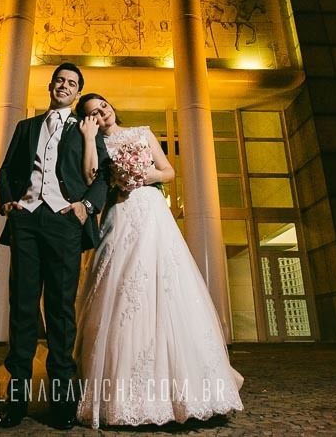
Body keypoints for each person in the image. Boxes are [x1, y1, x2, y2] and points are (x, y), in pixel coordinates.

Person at [73, 93, 245, 429]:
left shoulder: (142, 132)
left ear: (111, 105)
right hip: (119, 214)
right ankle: (122, 394)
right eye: (94, 113)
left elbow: (168, 171)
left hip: (152, 211)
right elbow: (91, 177)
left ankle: (188, 392)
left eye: (103, 106)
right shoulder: (94, 143)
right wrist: (90, 140)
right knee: (122, 287)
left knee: (167, 283)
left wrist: (144, 175)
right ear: (89, 120)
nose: (103, 113)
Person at [0, 63, 110, 430]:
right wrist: (8, 201)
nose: (64, 86)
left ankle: (62, 403)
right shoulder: (26, 127)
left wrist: (86, 206)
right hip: (26, 221)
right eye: (60, 80)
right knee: (22, 308)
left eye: (72, 83)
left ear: (77, 94)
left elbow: (103, 175)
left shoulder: (86, 129)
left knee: (60, 311)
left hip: (64, 223)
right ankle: (16, 401)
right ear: (51, 85)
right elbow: (6, 171)